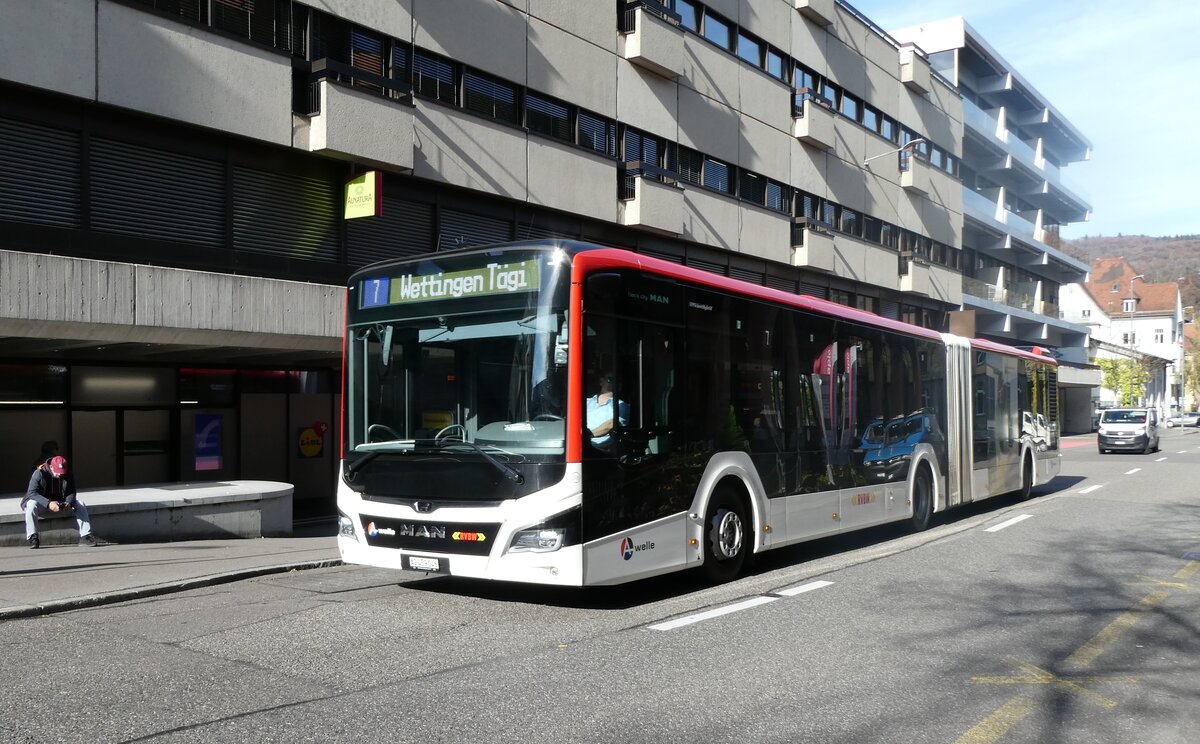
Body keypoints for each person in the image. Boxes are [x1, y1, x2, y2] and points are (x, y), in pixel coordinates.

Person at [23, 455, 96, 548]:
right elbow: (31, 493)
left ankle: (85, 536)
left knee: (80, 504)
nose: (60, 475)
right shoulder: (39, 473)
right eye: (57, 472)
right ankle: (33, 537)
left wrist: (68, 503)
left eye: (62, 472)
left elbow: (71, 492)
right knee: (31, 505)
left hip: (61, 502)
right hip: (42, 502)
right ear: (51, 467)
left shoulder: (68, 473)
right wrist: (48, 503)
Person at [586, 370, 629, 450]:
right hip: (579, 446)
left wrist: (587, 435)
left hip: (601, 451)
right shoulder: (585, 402)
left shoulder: (621, 405)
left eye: (618, 381)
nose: (614, 382)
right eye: (610, 379)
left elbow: (611, 424)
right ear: (601, 382)